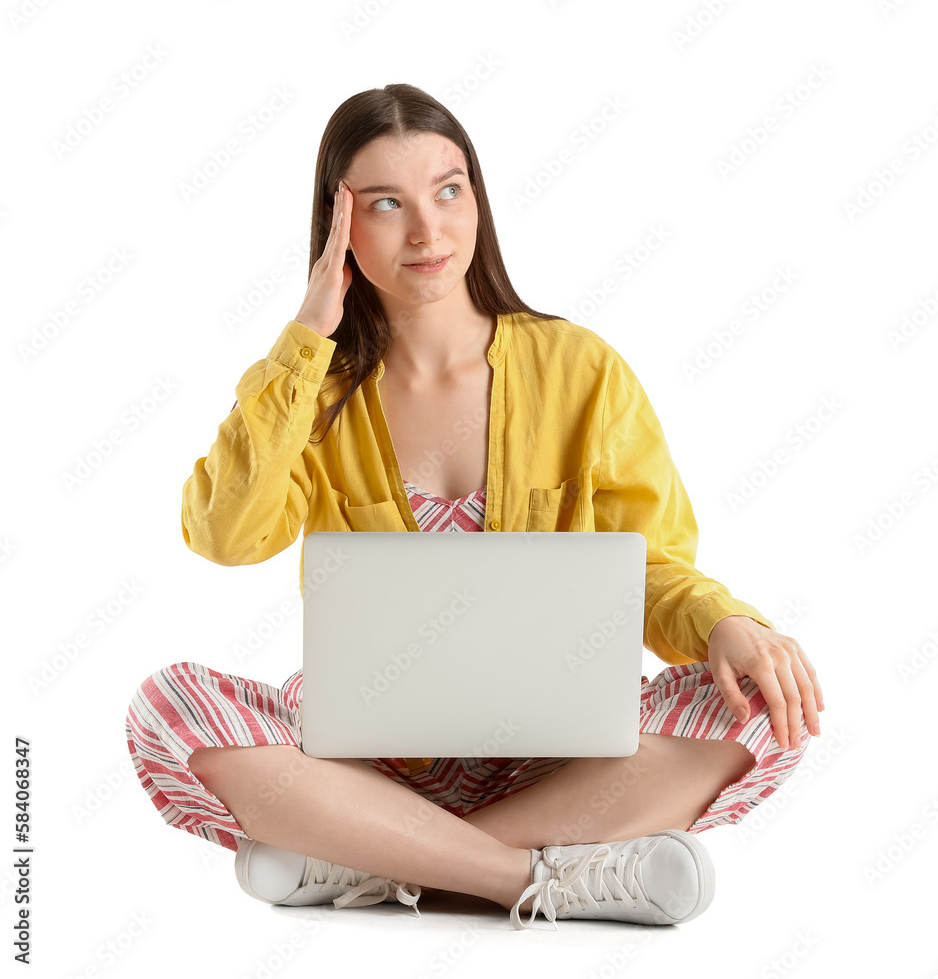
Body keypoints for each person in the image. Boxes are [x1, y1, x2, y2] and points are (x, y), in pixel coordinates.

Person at [126, 84, 824, 933]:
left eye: (449, 191)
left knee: (765, 697)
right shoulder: (315, 389)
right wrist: (306, 340)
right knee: (165, 708)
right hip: (367, 763)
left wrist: (723, 623)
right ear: (337, 226)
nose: (428, 232)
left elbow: (647, 570)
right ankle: (527, 879)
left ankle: (376, 863)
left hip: (557, 762)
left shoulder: (582, 369)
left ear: (479, 199)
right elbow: (226, 533)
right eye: (387, 204)